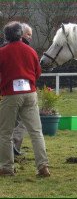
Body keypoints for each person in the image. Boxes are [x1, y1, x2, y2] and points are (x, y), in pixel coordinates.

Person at [0, 21, 50, 177]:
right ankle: (42, 166)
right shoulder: (31, 51)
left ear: (6, 36)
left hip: (10, 94)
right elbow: (38, 72)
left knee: (5, 133)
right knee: (36, 132)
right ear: (20, 35)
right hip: (30, 93)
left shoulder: (2, 52)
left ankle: (7, 168)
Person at [12, 23, 33, 156]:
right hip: (22, 90)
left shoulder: (5, 47)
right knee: (24, 120)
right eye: (28, 34)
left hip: (7, 90)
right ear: (21, 33)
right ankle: (14, 145)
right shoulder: (27, 50)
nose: (30, 37)